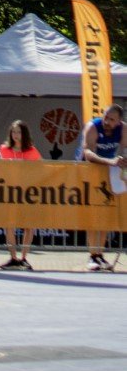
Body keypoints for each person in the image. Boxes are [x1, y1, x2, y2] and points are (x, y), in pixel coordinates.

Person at [79, 104, 124, 271]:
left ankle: (100, 254)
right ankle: (92, 255)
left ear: (119, 121)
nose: (107, 121)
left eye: (112, 119)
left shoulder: (123, 129)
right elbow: (88, 153)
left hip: (108, 171)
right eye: (105, 117)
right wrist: (110, 161)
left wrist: (121, 161)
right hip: (89, 170)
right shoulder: (93, 127)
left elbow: (125, 149)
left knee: (105, 213)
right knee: (93, 215)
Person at [0, 119, 41, 270]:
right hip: (9, 192)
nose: (16, 135)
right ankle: (13, 257)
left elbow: (41, 169)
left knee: (29, 226)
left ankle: (24, 257)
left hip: (27, 193)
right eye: (14, 132)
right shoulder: (4, 149)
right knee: (9, 225)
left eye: (19, 132)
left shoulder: (32, 151)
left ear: (24, 134)